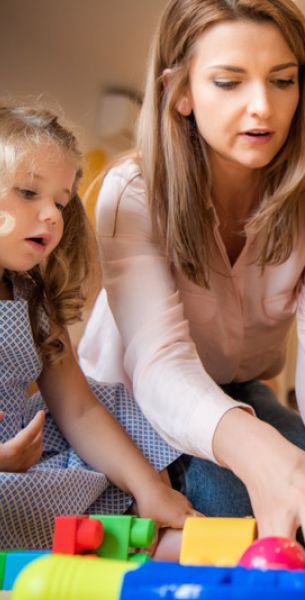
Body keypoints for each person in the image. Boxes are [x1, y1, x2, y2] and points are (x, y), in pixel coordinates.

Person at [77, 0, 305, 570]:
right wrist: (262, 454)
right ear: (180, 92)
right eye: (229, 82)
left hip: (236, 393)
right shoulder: (132, 191)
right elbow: (159, 364)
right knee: (237, 509)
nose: (263, 107)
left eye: (282, 80)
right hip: (129, 402)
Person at [0, 104, 194, 551]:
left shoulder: (34, 302)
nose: (51, 215)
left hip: (27, 466)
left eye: (60, 202)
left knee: (115, 405)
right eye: (29, 193)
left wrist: (149, 487)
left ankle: (146, 527)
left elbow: (79, 410)